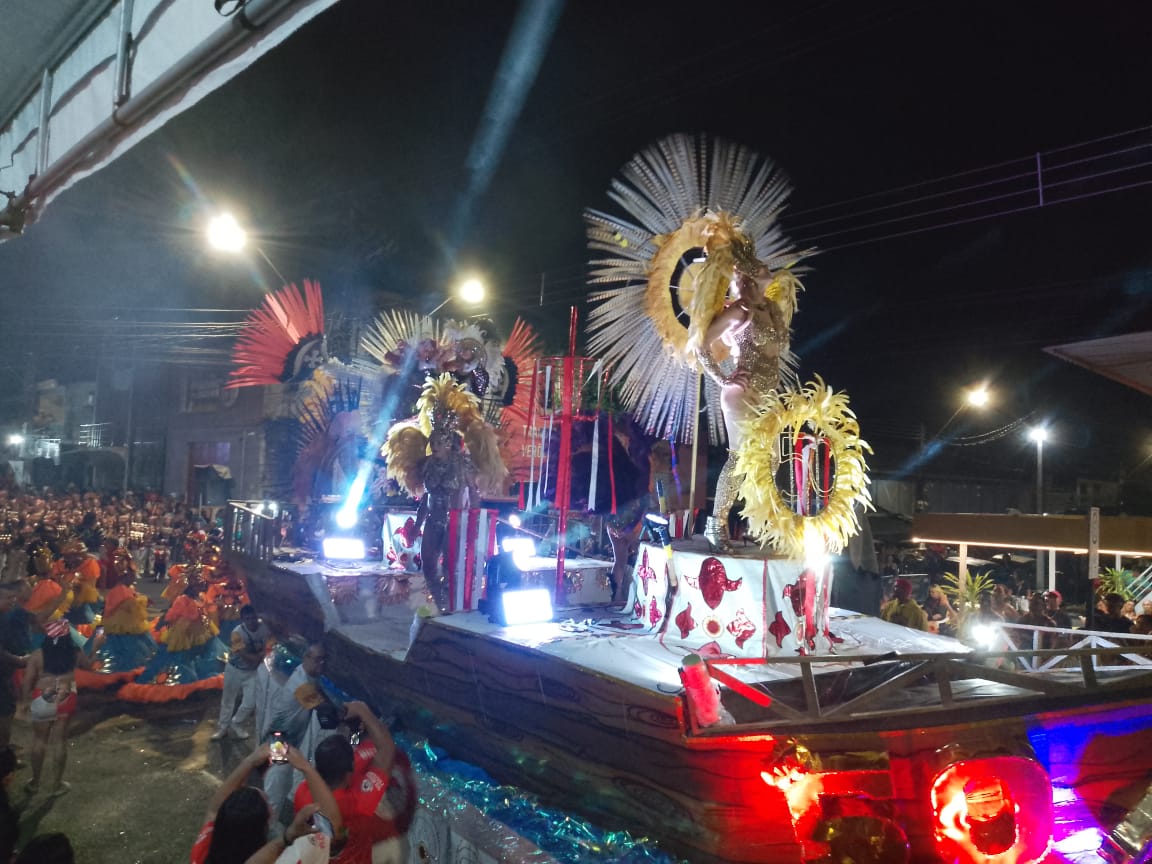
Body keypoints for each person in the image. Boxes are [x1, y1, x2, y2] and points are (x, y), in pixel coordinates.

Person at [689, 239, 794, 553]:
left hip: (767, 397)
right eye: (760, 266)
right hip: (743, 395)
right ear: (748, 275)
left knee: (772, 460)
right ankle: (716, 524)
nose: (767, 267)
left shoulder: (771, 308)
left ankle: (759, 524)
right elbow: (701, 344)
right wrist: (722, 377)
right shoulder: (740, 310)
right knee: (739, 459)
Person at [292, 701, 417, 864]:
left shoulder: (303, 792)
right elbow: (387, 749)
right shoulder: (357, 804)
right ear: (349, 770)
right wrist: (363, 711)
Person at [191, 742, 343, 864]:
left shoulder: (204, 848)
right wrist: (305, 767)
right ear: (266, 824)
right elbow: (334, 829)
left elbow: (214, 809)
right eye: (267, 802)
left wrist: (250, 762)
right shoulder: (286, 859)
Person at [18, 619, 79, 798]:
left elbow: (27, 681)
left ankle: (35, 783)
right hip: (67, 695)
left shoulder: (37, 655)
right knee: (60, 741)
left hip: (43, 696)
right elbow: (90, 664)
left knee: (39, 740)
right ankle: (57, 784)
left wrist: (23, 703)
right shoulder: (74, 653)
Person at [213, 605, 274, 741]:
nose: (251, 621)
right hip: (234, 669)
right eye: (248, 619)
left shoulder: (265, 629)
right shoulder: (237, 632)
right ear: (243, 620)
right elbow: (246, 656)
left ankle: (236, 722)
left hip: (252, 672)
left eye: (253, 618)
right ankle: (222, 728)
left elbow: (270, 648)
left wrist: (260, 656)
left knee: (250, 702)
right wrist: (260, 655)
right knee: (228, 699)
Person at [0, 586, 28, 749]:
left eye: (13, 597)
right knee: (5, 712)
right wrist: (20, 660)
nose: (13, 601)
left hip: (6, 673)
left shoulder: (5, 617)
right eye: (8, 598)